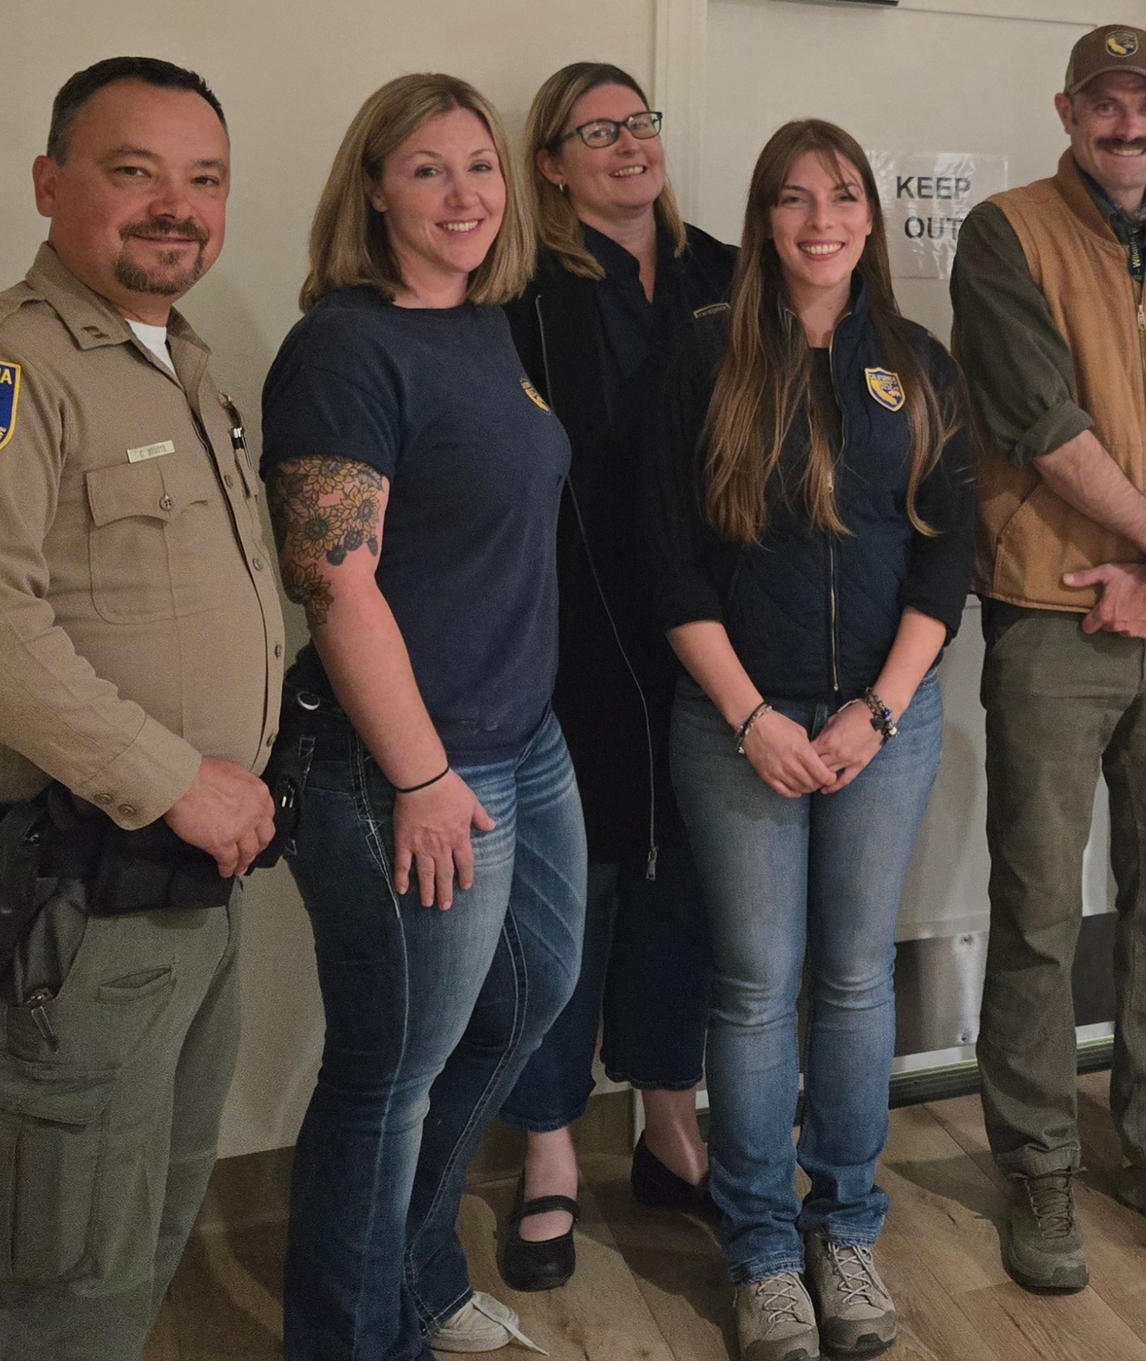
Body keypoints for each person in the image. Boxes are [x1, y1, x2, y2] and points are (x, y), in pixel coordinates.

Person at [0, 56, 281, 1360]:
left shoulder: (179, 367)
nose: (177, 204)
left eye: (202, 178)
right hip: (62, 912)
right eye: (133, 170)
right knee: (46, 1280)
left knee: (138, 1237)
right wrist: (184, 778)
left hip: (179, 899)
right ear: (51, 185)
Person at [260, 73, 583, 1361]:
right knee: (386, 1074)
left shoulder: (485, 325)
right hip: (409, 764)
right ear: (373, 189)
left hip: (523, 741)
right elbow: (332, 579)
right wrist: (422, 774)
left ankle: (416, 1275)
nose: (464, 193)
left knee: (526, 998)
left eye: (480, 166)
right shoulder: (346, 346)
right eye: (428, 169)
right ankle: (348, 1335)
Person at [643, 118, 974, 1361]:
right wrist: (751, 716)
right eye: (792, 199)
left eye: (842, 197)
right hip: (739, 719)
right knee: (754, 980)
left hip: (884, 719)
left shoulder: (918, 361)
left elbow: (949, 552)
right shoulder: (702, 359)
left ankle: (844, 1228)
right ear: (761, 218)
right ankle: (762, 1250)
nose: (819, 221)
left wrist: (875, 709)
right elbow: (662, 556)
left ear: (871, 221)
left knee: (847, 978)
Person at [949, 23, 1146, 1291]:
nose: (1126, 127)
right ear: (1066, 107)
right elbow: (1040, 422)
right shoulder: (1001, 232)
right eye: (1104, 105)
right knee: (1034, 907)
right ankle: (1035, 1161)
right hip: (1049, 613)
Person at [491, 60, 734, 1293]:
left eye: (641, 121)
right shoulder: (518, 294)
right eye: (597, 131)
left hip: (711, 643)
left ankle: (669, 1122)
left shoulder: (722, 276)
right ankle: (547, 1150)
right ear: (549, 163)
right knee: (563, 908)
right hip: (568, 647)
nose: (630, 145)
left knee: (684, 893)